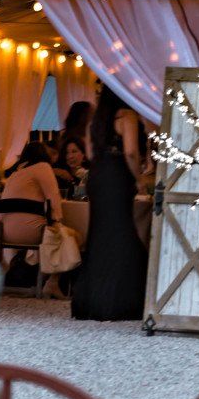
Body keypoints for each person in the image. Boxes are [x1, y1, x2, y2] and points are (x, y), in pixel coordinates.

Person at [70, 85, 149, 322]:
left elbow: (91, 154)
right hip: (117, 176)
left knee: (100, 234)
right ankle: (121, 299)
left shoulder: (96, 120)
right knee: (122, 231)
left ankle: (93, 298)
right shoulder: (127, 116)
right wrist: (140, 179)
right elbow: (132, 152)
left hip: (98, 177)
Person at [0, 141, 64, 255]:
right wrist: (58, 221)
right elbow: (54, 201)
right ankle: (48, 271)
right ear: (44, 155)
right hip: (31, 233)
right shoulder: (43, 167)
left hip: (3, 233)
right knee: (65, 236)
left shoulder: (14, 175)